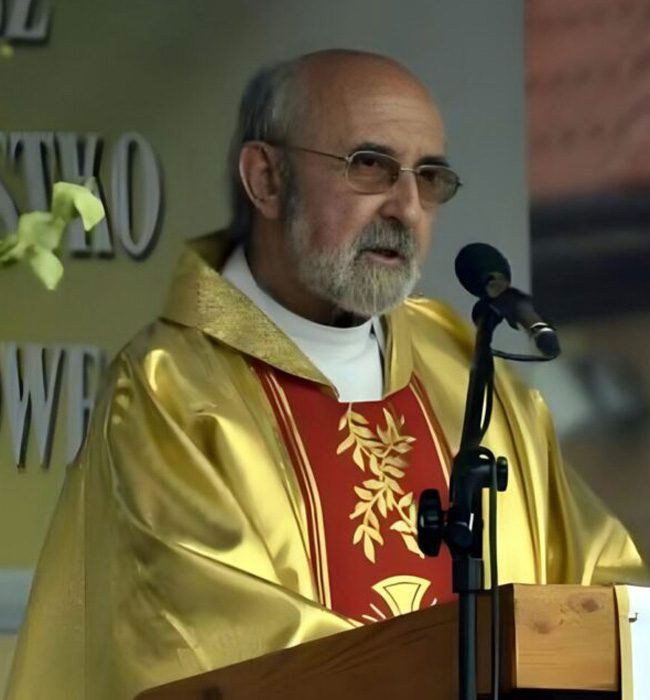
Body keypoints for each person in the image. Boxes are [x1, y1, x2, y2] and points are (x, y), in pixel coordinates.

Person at [6, 49, 647, 700]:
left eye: (429, 176)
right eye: (369, 165)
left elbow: (609, 594)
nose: (406, 207)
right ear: (266, 179)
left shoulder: (465, 372)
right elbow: (211, 650)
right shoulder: (168, 395)